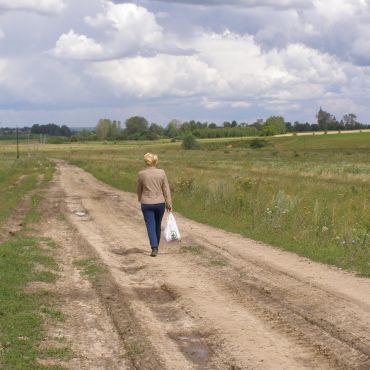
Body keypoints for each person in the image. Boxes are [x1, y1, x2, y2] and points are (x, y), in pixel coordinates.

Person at [137, 153, 172, 257]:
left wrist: (140, 198)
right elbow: (166, 188)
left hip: (147, 203)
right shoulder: (162, 173)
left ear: (146, 161)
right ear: (155, 161)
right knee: (157, 224)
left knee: (150, 225)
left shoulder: (141, 174)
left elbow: (139, 189)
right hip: (160, 203)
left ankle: (154, 247)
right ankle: (156, 246)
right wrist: (169, 203)